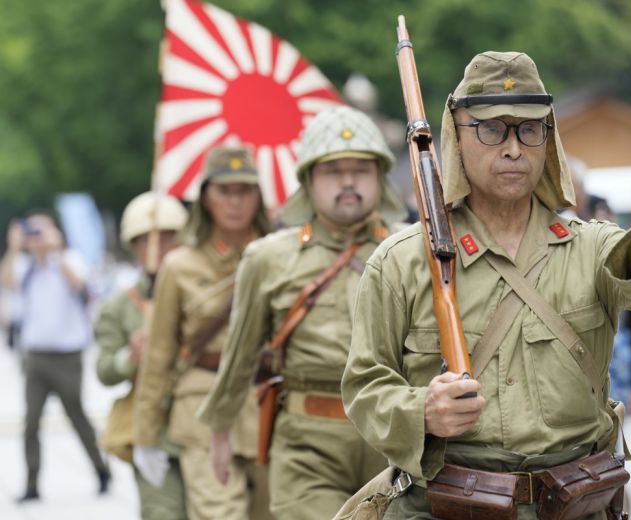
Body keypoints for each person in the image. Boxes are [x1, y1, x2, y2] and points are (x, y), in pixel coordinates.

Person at [341, 51, 631, 519]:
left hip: (574, 502)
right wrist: (422, 410)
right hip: (446, 505)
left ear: (548, 139)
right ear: (457, 135)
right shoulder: (401, 261)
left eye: (529, 129)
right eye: (491, 129)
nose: (512, 148)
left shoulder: (589, 247)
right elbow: (366, 387)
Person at [197, 105, 408, 520]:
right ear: (308, 180)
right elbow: (240, 355)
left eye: (361, 170)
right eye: (333, 171)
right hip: (308, 444)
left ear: (380, 179)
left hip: (394, 438)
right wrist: (220, 431)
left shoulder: (412, 249)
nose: (348, 182)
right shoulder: (268, 258)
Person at [133, 146, 273, 520]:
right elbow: (159, 354)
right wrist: (145, 436)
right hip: (202, 406)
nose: (234, 202)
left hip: (268, 405)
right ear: (205, 197)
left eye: (244, 191)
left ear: (258, 197)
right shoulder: (179, 266)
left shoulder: (280, 256)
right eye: (224, 191)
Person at [0, 212, 110, 502]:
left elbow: (78, 285)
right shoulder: (25, 265)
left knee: (77, 417)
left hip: (67, 356)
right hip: (35, 356)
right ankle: (32, 483)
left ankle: (101, 468)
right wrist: (13, 247)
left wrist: (55, 251)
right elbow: (6, 282)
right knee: (31, 422)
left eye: (41, 232)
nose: (36, 238)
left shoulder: (69, 259)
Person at [95, 191, 189, 519]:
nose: (157, 248)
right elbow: (104, 370)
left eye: (167, 237)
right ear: (132, 246)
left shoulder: (203, 294)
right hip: (153, 431)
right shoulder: (119, 306)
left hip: (199, 426)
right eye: (146, 240)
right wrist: (129, 357)